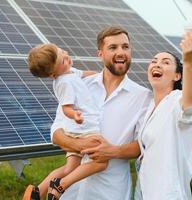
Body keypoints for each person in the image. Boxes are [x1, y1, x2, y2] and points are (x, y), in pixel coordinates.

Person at [83, 31, 192, 200]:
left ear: (177, 76)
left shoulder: (177, 102)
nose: (157, 64)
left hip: (168, 192)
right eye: (154, 61)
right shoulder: (150, 105)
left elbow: (190, 105)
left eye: (165, 62)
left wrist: (189, 63)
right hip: (145, 190)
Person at [50, 26, 152, 200]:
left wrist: (112, 151)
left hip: (110, 191)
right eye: (113, 48)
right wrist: (80, 145)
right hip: (70, 191)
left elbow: (141, 146)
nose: (121, 52)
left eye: (125, 47)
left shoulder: (144, 97)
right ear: (100, 54)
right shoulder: (79, 84)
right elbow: (56, 133)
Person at [23, 43, 107, 200]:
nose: (66, 57)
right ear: (53, 74)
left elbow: (84, 73)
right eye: (62, 60)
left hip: (74, 131)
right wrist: (74, 115)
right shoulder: (64, 82)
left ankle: (37, 192)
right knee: (101, 162)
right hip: (84, 130)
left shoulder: (70, 72)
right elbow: (66, 107)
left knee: (70, 167)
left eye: (62, 52)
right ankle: (60, 186)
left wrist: (100, 75)